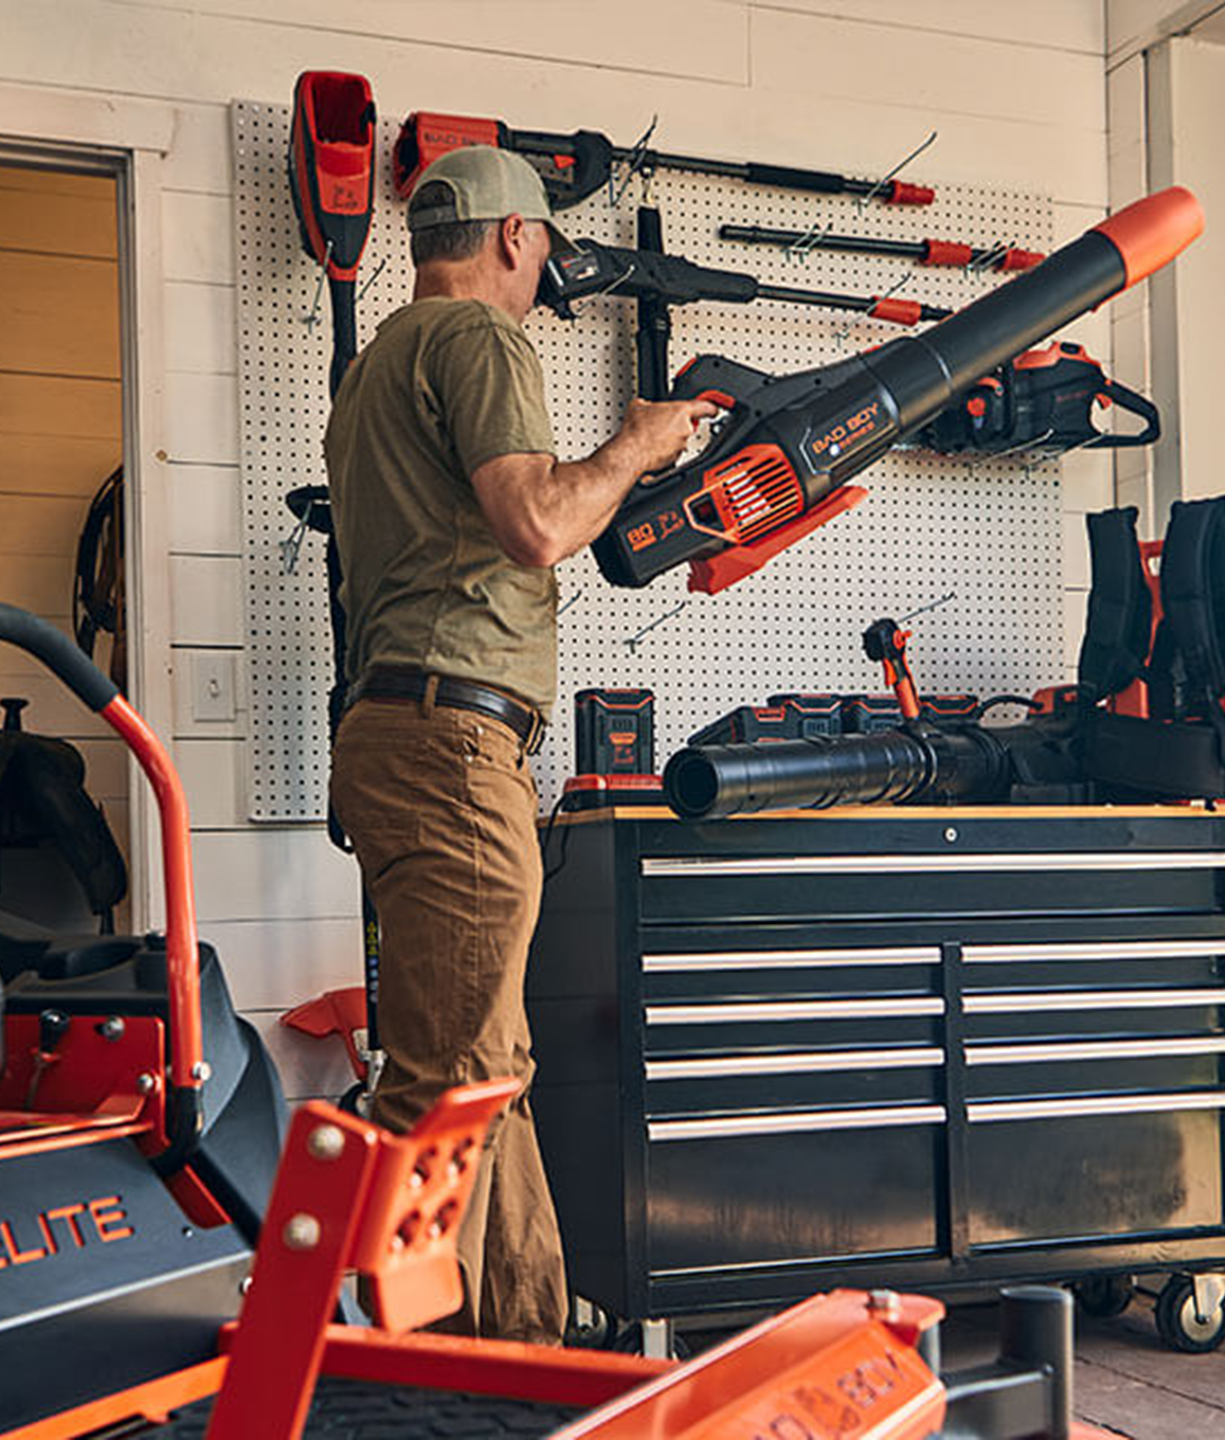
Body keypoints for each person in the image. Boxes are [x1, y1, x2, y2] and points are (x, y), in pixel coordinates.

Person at [324, 145, 717, 1343]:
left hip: (406, 734)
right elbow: (539, 523)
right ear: (512, 237)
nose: (546, 270)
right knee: (450, 1085)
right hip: (451, 744)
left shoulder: (374, 366)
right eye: (544, 245)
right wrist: (637, 448)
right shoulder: (479, 340)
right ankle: (419, 1374)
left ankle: (527, 1350)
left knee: (488, 1069)